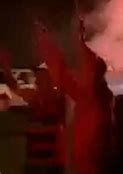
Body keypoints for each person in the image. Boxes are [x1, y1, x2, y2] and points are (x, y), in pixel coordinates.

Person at [35, 20, 113, 174]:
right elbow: (65, 71)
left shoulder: (89, 96)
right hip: (89, 160)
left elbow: (61, 72)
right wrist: (79, 39)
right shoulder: (98, 94)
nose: (79, 72)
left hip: (90, 162)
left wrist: (46, 41)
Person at [0, 51, 66, 174]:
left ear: (50, 78)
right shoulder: (35, 97)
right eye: (37, 76)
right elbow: (13, 86)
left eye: (41, 75)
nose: (37, 79)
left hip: (52, 162)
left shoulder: (57, 98)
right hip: (36, 161)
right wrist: (5, 67)